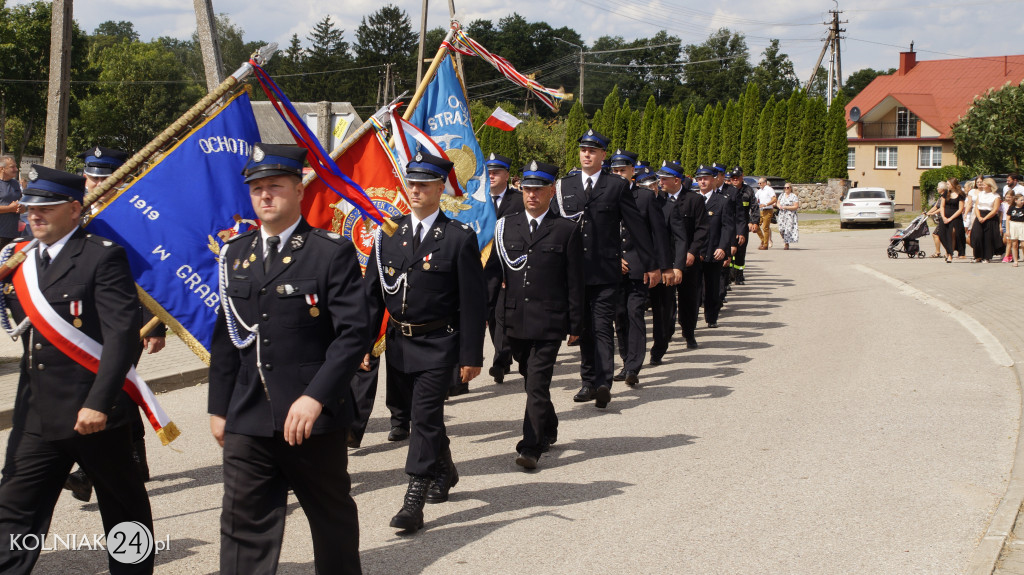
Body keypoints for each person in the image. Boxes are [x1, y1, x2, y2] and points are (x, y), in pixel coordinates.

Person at [209, 143, 367, 573]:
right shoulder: (235, 254)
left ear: (299, 189)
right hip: (248, 415)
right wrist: (218, 407)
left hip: (311, 418)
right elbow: (227, 338)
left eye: (275, 186)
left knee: (329, 515)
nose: (264, 195)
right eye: (256, 188)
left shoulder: (328, 251)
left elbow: (354, 335)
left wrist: (315, 397)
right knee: (242, 524)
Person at [0, 165, 153, 575]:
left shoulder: (102, 256)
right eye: (31, 207)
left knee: (123, 512)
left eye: (45, 208)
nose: (34, 215)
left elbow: (122, 336)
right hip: (37, 413)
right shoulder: (21, 260)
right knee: (14, 510)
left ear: (73, 209)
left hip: (93, 413)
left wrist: (100, 402)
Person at [364, 151, 486, 533]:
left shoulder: (458, 237)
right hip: (399, 343)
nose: (416, 189)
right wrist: (364, 345)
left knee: (424, 418)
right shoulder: (387, 234)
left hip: (439, 344)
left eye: (425, 183)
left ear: (440, 187)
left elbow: (473, 302)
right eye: (411, 182)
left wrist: (471, 354)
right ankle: (445, 469)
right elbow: (370, 296)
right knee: (421, 416)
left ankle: (413, 497)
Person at [64, 146, 166, 503]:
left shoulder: (134, 218)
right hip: (84, 322)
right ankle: (134, 463)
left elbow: (152, 274)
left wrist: (155, 326)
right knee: (121, 390)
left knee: (110, 389)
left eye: (104, 179)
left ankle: (86, 472)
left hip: (126, 324)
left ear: (122, 180)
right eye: (91, 177)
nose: (96, 185)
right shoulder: (75, 212)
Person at [486, 160, 583, 469]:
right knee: (531, 381)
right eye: (527, 189)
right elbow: (492, 275)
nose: (531, 195)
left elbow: (575, 282)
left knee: (537, 383)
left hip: (549, 321)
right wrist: (480, 311)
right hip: (514, 319)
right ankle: (549, 426)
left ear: (551, 192)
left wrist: (577, 324)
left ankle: (531, 446)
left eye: (538, 190)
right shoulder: (506, 226)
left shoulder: (566, 230)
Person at [554, 129, 657, 409]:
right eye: (583, 150)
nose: (586, 154)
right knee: (582, 328)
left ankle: (602, 382)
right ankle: (587, 382)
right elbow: (554, 226)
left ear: (602, 155)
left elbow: (636, 225)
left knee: (601, 327)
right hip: (575, 273)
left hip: (605, 271)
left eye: (592, 151)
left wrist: (651, 264)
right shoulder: (565, 185)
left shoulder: (616, 186)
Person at [610, 150, 670, 386]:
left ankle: (634, 365)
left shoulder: (644, 198)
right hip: (613, 267)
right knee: (620, 316)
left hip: (638, 267)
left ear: (632, 172)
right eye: (614, 170)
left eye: (622, 170)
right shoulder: (605, 196)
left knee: (634, 312)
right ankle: (626, 360)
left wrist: (660, 267)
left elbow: (658, 235)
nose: (618, 175)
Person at [484, 153, 523, 384]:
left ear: (507, 175)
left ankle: (499, 362)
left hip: (506, 267)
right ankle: (504, 357)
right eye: (489, 171)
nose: (491, 176)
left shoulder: (517, 201)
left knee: (501, 315)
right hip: (480, 269)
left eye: (497, 172)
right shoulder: (476, 200)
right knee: (487, 315)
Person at [665, 161, 708, 349]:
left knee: (689, 300)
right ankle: (665, 334)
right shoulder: (658, 200)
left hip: (689, 259)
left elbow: (702, 230)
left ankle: (689, 332)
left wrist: (692, 252)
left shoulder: (694, 200)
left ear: (676, 180)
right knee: (665, 300)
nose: (661, 182)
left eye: (664, 179)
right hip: (666, 259)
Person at [648, 163, 681, 363]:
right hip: (638, 265)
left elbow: (678, 238)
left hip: (663, 265)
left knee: (662, 310)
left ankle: (658, 348)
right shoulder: (629, 206)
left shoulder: (668, 207)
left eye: (653, 186)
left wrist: (675, 265)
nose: (652, 189)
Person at [695, 165, 734, 328]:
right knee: (694, 288)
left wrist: (723, 248)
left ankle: (711, 317)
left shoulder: (722, 201)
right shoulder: (692, 199)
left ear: (713, 180)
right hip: (695, 252)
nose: (702, 182)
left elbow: (727, 227)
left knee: (712, 287)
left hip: (713, 250)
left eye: (706, 178)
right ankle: (691, 319)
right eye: (699, 179)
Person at [728, 168, 757, 284]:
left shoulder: (748, 190)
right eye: (733, 178)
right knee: (729, 251)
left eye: (737, 178)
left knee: (740, 251)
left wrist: (754, 222)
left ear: (742, 177)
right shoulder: (728, 191)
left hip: (743, 224)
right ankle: (729, 274)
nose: (735, 180)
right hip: (729, 225)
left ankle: (739, 275)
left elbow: (754, 207)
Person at [972, 177, 1003, 263]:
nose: (982, 185)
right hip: (980, 215)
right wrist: (979, 217)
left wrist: (985, 218)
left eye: (984, 184)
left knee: (987, 238)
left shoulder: (996, 196)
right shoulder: (981, 194)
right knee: (977, 236)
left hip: (990, 217)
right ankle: (977, 256)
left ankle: (987, 257)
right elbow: (976, 206)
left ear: (989, 186)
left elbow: (995, 209)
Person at [0, 156, 22, 249]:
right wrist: (10, 208)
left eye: (16, 166)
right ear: (2, 169)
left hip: (14, 233)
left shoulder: (15, 184)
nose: (16, 169)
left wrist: (23, 207)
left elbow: (22, 202)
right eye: (12, 167)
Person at [776, 183, 800, 249]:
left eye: (788, 187)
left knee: (788, 229)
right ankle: (785, 239)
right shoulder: (781, 195)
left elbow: (796, 206)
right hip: (782, 214)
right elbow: (777, 203)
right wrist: (779, 206)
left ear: (790, 188)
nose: (786, 189)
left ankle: (786, 243)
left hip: (790, 214)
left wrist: (786, 207)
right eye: (785, 188)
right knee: (781, 229)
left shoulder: (793, 196)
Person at [754, 177, 776, 249]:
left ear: (765, 183)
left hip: (768, 210)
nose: (759, 184)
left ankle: (765, 245)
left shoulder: (769, 189)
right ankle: (763, 240)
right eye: (758, 183)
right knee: (756, 226)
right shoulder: (760, 191)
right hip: (761, 210)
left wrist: (766, 204)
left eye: (760, 183)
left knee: (765, 228)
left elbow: (774, 199)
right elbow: (754, 199)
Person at [1006, 193, 1024, 267]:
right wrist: (1007, 230)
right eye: (1021, 200)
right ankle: (1015, 260)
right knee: (1014, 244)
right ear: (1016, 200)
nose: (1023, 201)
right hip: (1013, 225)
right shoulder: (1011, 208)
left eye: (1023, 200)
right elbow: (1007, 219)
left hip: (1022, 225)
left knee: (1023, 244)